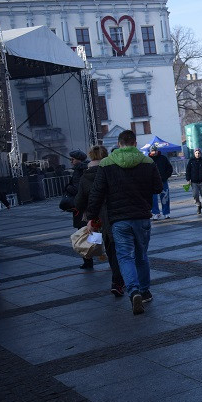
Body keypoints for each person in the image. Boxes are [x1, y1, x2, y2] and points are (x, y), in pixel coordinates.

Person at [86, 130, 163, 315]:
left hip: (118, 219)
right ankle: (145, 291)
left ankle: (134, 290)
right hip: (141, 216)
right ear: (135, 143)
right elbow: (158, 187)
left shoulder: (106, 164)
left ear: (119, 144)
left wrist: (91, 217)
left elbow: (97, 193)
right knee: (141, 256)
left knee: (124, 256)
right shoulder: (147, 161)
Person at [75, 145, 124, 297]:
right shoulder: (112, 170)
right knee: (118, 248)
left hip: (96, 218)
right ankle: (119, 280)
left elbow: (79, 201)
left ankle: (117, 280)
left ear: (90, 157)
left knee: (109, 247)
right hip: (115, 213)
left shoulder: (86, 176)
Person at [66, 149, 92, 268]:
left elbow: (77, 190)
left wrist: (67, 187)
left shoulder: (78, 171)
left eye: (73, 159)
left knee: (83, 233)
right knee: (94, 231)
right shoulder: (88, 168)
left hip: (81, 207)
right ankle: (100, 254)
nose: (71, 161)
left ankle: (88, 260)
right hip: (89, 205)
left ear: (79, 160)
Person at [148, 144, 173, 220]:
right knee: (153, 199)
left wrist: (165, 176)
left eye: (155, 150)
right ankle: (155, 213)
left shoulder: (163, 158)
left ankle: (166, 212)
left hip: (163, 181)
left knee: (165, 197)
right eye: (152, 150)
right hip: (153, 183)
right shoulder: (148, 160)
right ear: (150, 151)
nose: (154, 152)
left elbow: (169, 168)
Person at [186, 148, 202, 215]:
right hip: (194, 182)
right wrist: (188, 179)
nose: (197, 154)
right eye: (196, 153)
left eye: (198, 153)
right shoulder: (191, 161)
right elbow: (188, 170)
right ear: (194, 154)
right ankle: (198, 205)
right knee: (195, 195)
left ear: (201, 154)